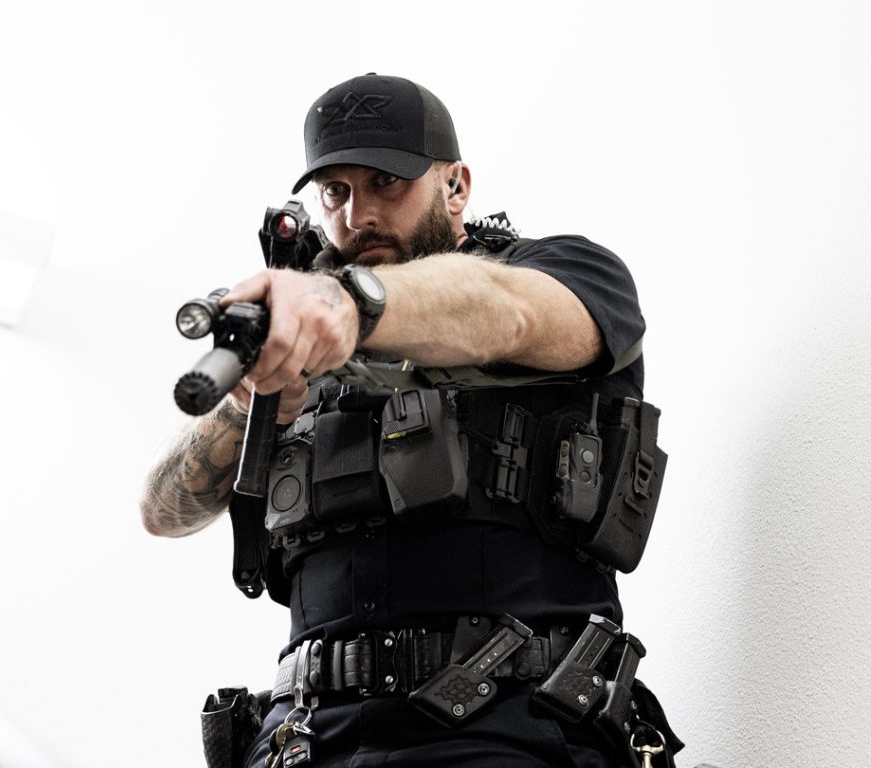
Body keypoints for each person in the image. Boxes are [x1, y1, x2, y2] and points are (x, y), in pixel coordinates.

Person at [140, 74, 679, 768]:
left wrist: (345, 306)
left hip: (507, 727)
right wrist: (253, 404)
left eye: (386, 182)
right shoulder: (301, 348)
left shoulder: (564, 271)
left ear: (454, 186)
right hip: (301, 739)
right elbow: (164, 511)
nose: (357, 214)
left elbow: (500, 308)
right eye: (335, 191)